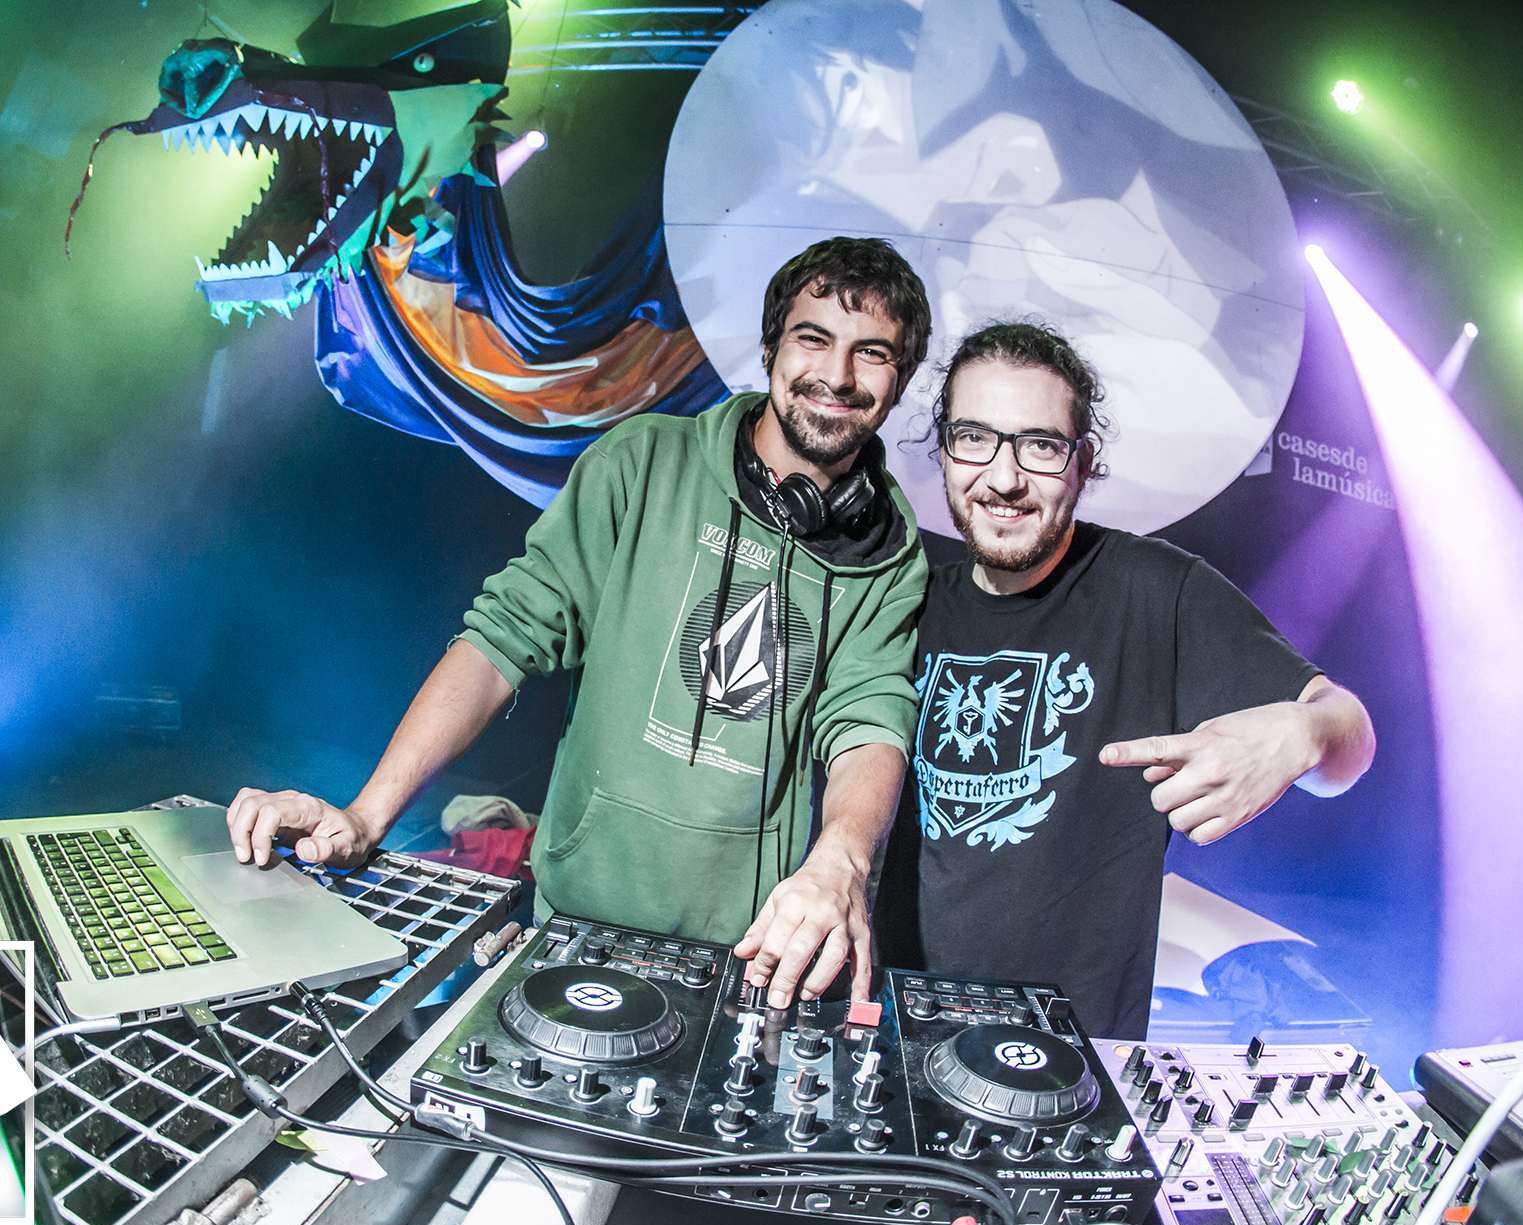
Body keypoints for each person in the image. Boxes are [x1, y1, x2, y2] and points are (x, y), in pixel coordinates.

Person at [228, 238, 934, 1009]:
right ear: (770, 348)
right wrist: (366, 817)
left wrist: (841, 860)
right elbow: (501, 640)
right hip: (573, 924)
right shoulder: (641, 464)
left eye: (872, 352)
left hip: (744, 959)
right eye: (814, 338)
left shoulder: (889, 549)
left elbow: (870, 719)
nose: (838, 374)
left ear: (899, 380)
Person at [873, 321, 1375, 1039]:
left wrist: (1307, 732)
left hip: (1072, 1059)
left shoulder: (1156, 591)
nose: (1005, 478)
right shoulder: (906, 601)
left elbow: (1349, 736)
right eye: (975, 438)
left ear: (1083, 463)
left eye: (1041, 446)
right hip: (891, 1032)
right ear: (945, 450)